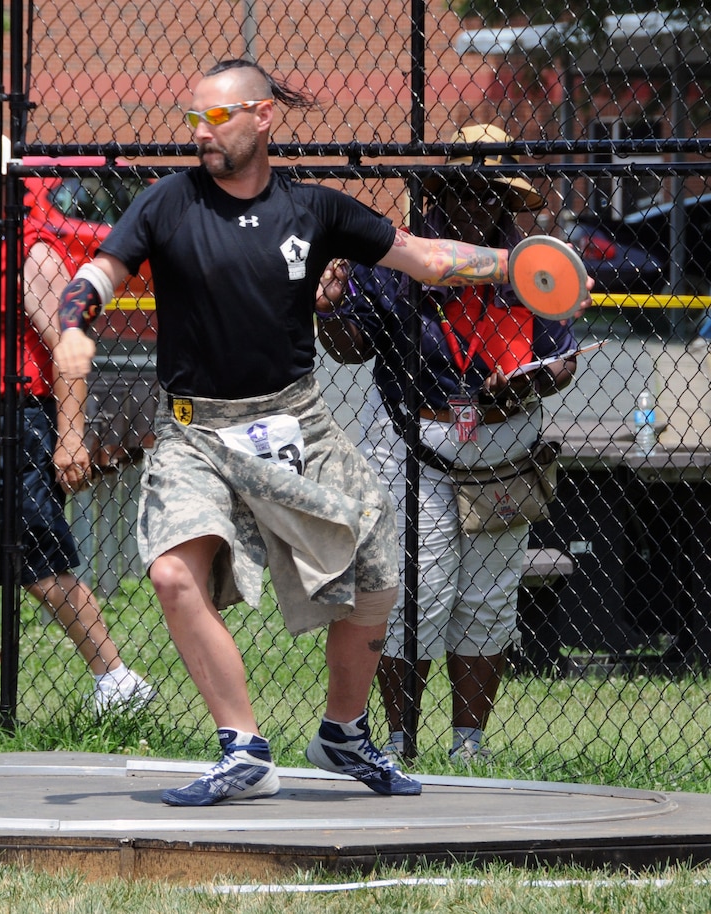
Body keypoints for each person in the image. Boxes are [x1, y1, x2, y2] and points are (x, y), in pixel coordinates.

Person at [50, 60, 593, 806]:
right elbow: (99, 276)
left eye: (218, 118)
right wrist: (75, 323)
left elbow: (429, 260)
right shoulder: (165, 204)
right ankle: (242, 750)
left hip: (295, 420)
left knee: (378, 579)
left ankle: (343, 733)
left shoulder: (316, 209)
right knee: (174, 574)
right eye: (193, 121)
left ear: (263, 116)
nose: (202, 135)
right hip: (194, 431)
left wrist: (523, 265)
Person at [318, 125, 580, 765]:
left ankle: (469, 747)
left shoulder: (531, 262)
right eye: (460, 191)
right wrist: (327, 308)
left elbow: (562, 359)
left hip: (503, 444)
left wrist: (528, 379)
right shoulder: (400, 256)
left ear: (504, 203)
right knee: (416, 592)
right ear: (436, 194)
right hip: (417, 440)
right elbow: (353, 349)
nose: (472, 206)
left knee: (488, 599)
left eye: (488, 196)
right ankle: (402, 742)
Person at [0, 133, 154, 714]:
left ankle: (118, 682)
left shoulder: (32, 251)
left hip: (13, 426)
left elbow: (67, 345)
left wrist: (70, 436)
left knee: (40, 564)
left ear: (5, 187)